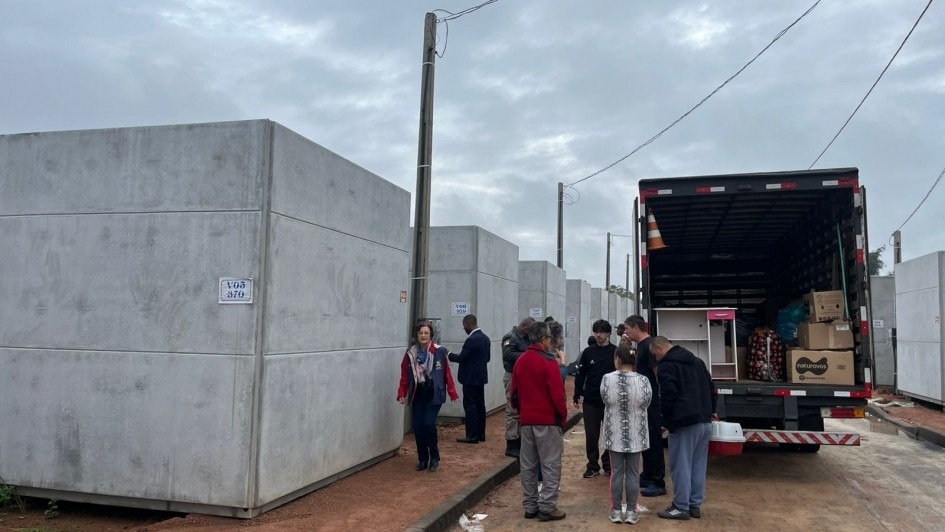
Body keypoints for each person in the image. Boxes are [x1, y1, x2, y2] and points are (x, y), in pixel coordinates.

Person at [650, 336, 718, 521]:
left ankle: (681, 506)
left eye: (655, 354)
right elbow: (712, 388)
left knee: (681, 466)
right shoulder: (698, 362)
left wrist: (665, 420)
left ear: (659, 348)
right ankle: (694, 505)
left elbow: (668, 395)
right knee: (698, 465)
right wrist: (712, 410)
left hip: (683, 423)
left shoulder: (667, 366)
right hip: (704, 421)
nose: (656, 358)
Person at [510, 320, 568, 522]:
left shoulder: (521, 361)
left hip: (527, 420)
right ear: (543, 339)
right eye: (549, 337)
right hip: (548, 420)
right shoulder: (549, 362)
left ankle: (530, 505)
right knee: (551, 464)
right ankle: (547, 506)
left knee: (528, 465)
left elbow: (514, 394)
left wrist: (523, 412)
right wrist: (562, 416)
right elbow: (558, 395)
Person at [397, 321, 460, 472]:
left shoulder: (439, 351)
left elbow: (446, 374)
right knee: (418, 427)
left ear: (431, 335)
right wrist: (401, 393)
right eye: (420, 333)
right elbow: (405, 376)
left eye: (426, 333)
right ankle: (423, 459)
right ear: (416, 335)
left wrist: (452, 392)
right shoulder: (411, 354)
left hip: (434, 393)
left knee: (428, 424)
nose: (423, 336)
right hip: (418, 393)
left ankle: (435, 457)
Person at [601, 345, 651, 524]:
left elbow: (605, 399)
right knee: (633, 473)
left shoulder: (607, 379)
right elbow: (647, 402)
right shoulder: (643, 380)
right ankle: (631, 512)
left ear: (618, 359)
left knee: (616, 473)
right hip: (637, 434)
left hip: (614, 433)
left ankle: (616, 511)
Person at [624, 314, 666, 497]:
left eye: (627, 328)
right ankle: (648, 475)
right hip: (643, 401)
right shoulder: (640, 346)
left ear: (636, 327)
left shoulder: (649, 346)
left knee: (654, 442)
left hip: (652, 402)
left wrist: (659, 398)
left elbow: (658, 374)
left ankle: (658, 481)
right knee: (645, 440)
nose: (625, 332)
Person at [573, 319, 617, 478]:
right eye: (596, 331)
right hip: (591, 400)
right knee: (591, 435)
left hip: (611, 401)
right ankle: (592, 465)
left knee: (611, 434)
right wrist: (577, 392)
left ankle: (608, 463)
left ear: (608, 333)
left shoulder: (616, 352)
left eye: (602, 332)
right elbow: (580, 374)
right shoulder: (588, 352)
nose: (598, 335)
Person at [449, 314, 491, 444]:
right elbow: (487, 358)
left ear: (468, 323)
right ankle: (480, 434)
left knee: (470, 406)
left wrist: (448, 354)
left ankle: (472, 435)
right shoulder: (485, 338)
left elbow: (462, 358)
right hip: (480, 378)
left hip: (469, 379)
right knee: (480, 405)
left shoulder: (472, 340)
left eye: (464, 325)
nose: (464, 328)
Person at [501, 317, 535, 457]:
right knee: (512, 410)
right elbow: (508, 355)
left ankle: (520, 440)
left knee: (522, 409)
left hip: (523, 376)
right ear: (525, 326)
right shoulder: (510, 337)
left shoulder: (526, 338)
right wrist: (528, 355)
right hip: (512, 375)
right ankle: (512, 443)